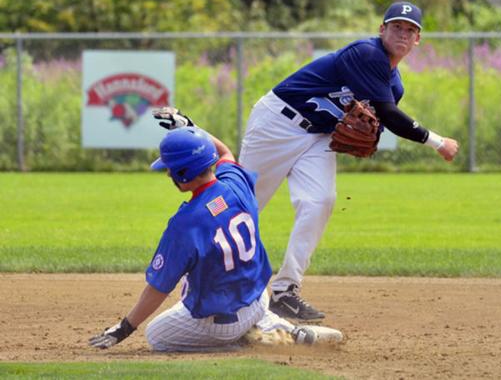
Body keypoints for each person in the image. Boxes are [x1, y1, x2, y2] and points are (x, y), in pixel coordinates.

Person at [156, 1, 459, 322]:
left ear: (418, 40)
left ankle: (285, 291)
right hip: (277, 123)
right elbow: (390, 116)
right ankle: (196, 284)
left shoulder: (394, 85)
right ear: (382, 30)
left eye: (410, 30)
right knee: (240, 206)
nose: (403, 33)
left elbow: (380, 120)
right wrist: (438, 142)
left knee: (320, 200)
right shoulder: (367, 53)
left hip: (318, 137)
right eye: (397, 26)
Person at [88, 126, 333, 352]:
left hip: (222, 324)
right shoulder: (235, 183)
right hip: (259, 300)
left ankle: (239, 342)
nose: (168, 174)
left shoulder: (185, 223)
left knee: (156, 335)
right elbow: (224, 150)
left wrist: (124, 327)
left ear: (184, 173)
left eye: (170, 168)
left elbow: (158, 288)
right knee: (195, 280)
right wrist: (191, 129)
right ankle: (273, 327)